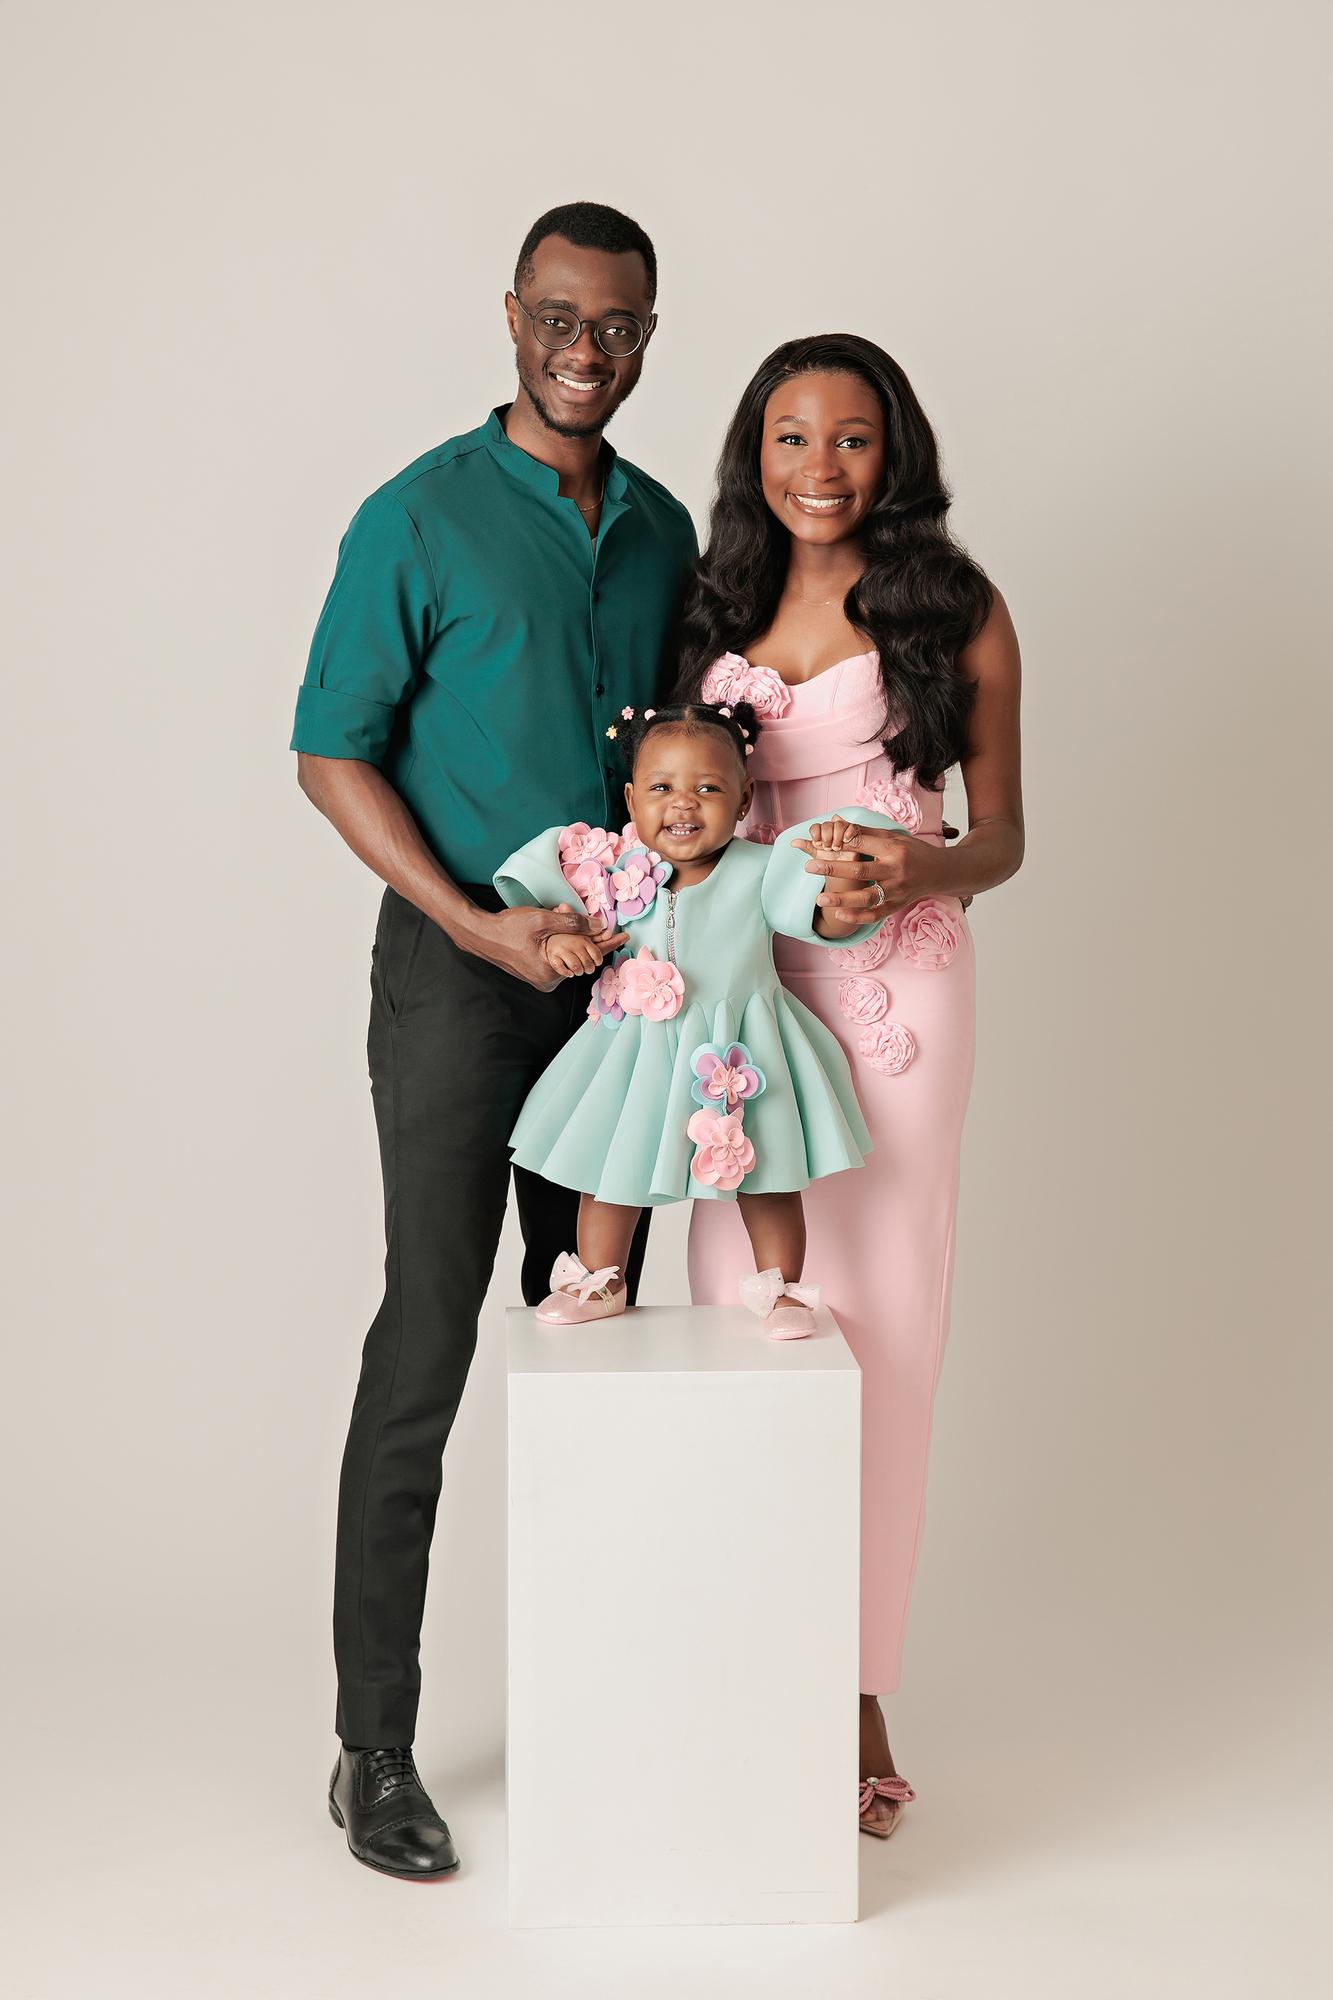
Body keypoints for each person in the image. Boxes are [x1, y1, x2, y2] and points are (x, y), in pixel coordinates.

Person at [291, 202, 697, 1880]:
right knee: (429, 1337)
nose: (584, 351)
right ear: (511, 316)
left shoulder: (665, 529)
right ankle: (373, 1748)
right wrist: (472, 926)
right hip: (460, 978)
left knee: (597, 1335)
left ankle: (601, 1722)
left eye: (616, 326)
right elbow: (328, 751)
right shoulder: (418, 514)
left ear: (648, 335)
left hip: (621, 991)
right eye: (558, 318)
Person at [675, 335, 1024, 1837]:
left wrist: (918, 865)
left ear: (896, 454)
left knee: (881, 1328)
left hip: (897, 995)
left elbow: (1003, 833)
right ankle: (740, 1667)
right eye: (789, 435)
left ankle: (858, 1687)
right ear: (752, 453)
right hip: (741, 997)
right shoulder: (710, 604)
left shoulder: (954, 608)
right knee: (738, 1312)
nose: (819, 466)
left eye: (852, 437)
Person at [491, 702, 900, 1334]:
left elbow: (822, 917)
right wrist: (563, 941)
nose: (683, 803)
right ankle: (602, 1280)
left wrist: (841, 888)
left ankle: (784, 1290)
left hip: (741, 1053)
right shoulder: (614, 871)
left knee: (767, 1175)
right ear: (631, 799)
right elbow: (559, 921)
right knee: (611, 1166)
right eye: (661, 788)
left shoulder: (762, 869)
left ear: (744, 800)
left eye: (708, 788)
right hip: (635, 1048)